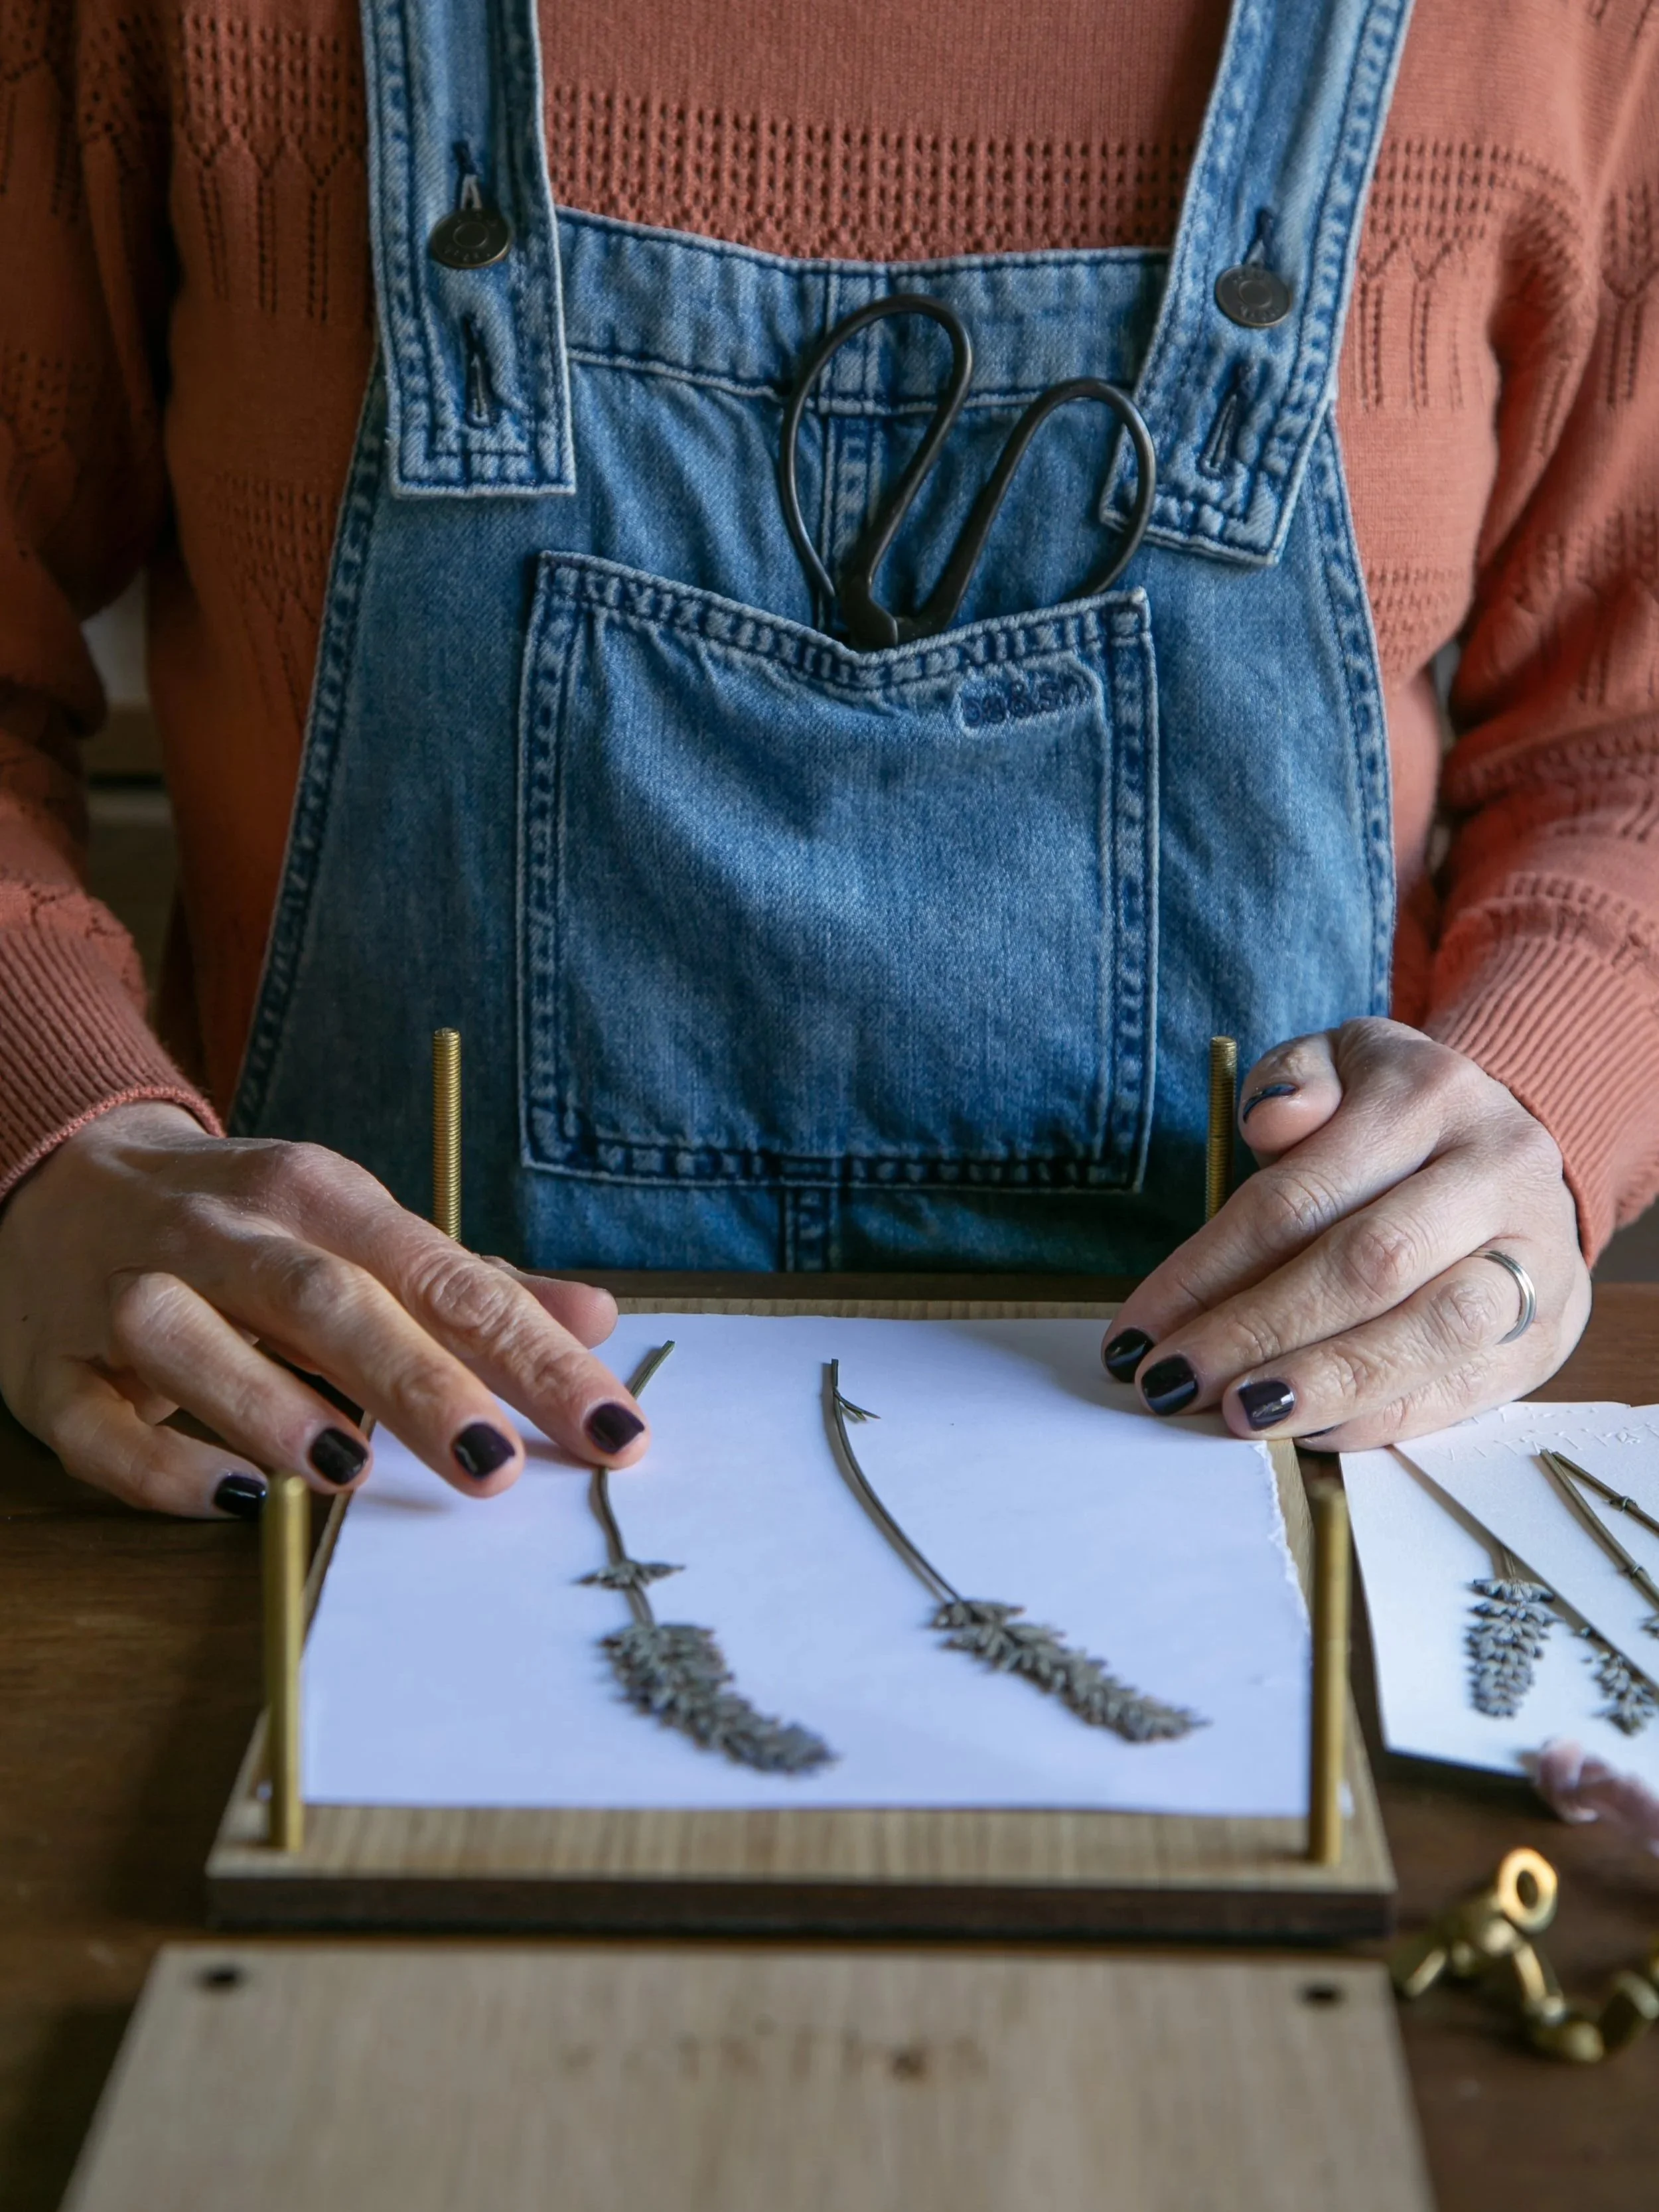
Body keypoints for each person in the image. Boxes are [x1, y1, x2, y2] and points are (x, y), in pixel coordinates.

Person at [0, 0, 1652, 1520]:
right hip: (355, 1510)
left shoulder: (1550, 35)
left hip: (1274, 1516)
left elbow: (1621, 762)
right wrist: (63, 1130)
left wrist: (1535, 1117)